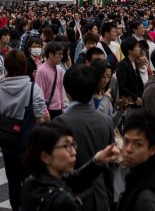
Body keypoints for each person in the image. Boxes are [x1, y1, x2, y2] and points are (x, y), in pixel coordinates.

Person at [0, 49, 48, 211]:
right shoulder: (33, 89)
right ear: (24, 67)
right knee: (31, 180)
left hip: (8, 143)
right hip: (30, 143)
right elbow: (40, 118)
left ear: (6, 67)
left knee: (13, 180)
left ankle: (16, 207)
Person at [55, 65, 116, 211]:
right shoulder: (106, 121)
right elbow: (109, 167)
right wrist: (108, 198)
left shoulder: (59, 123)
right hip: (100, 196)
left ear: (67, 91)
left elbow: (56, 169)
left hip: (72, 197)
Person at [20, 122, 120, 211]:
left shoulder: (31, 182)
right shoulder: (63, 201)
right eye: (66, 146)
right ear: (45, 157)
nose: (73, 152)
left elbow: (73, 180)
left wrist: (97, 160)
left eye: (73, 145)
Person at [117, 109, 155, 211]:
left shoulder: (145, 199)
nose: (128, 149)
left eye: (137, 144)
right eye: (126, 141)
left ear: (153, 149)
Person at [35, 41, 65, 119]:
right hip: (48, 110)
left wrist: (62, 106)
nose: (61, 57)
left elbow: (60, 89)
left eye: (62, 54)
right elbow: (39, 94)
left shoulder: (59, 69)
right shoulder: (42, 71)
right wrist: (45, 112)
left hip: (58, 109)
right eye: (59, 54)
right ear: (50, 54)